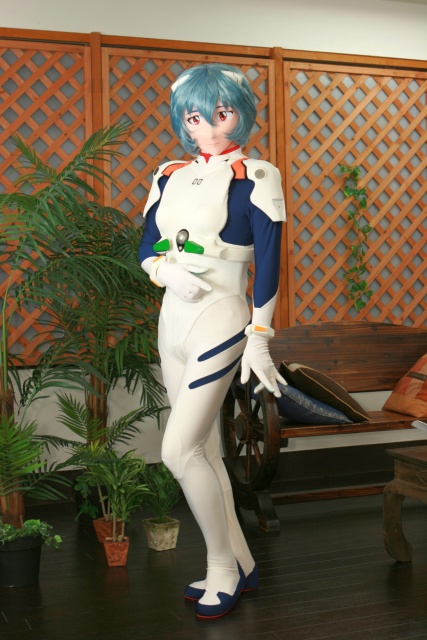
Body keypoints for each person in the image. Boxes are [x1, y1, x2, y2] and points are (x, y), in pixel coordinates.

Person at [138, 63, 286, 619]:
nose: (208, 127)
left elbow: (269, 262)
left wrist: (260, 336)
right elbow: (146, 245)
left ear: (239, 113)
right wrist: (163, 271)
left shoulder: (258, 175)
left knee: (178, 451)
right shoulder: (168, 174)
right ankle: (242, 563)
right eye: (195, 117)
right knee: (203, 449)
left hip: (221, 317)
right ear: (183, 120)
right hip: (172, 318)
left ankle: (221, 566)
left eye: (220, 114)